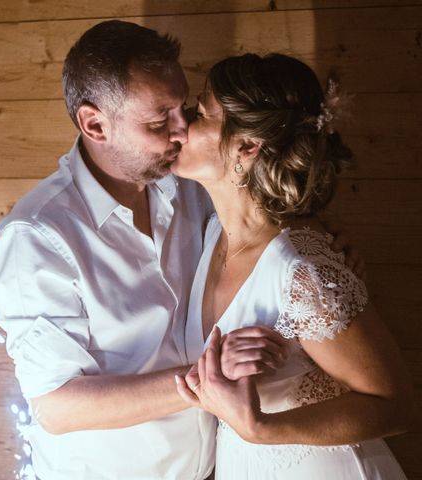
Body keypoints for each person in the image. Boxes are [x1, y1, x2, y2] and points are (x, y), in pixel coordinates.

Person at [0, 21, 297, 480]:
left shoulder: (190, 185)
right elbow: (58, 407)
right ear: (94, 124)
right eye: (157, 121)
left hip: (219, 467)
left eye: (183, 108)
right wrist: (205, 379)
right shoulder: (36, 238)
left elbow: (259, 236)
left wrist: (317, 254)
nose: (181, 129)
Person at [173, 53, 416, 479]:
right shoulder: (212, 235)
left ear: (246, 146)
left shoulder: (300, 271)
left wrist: (261, 428)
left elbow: (393, 405)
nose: (183, 123)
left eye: (202, 113)